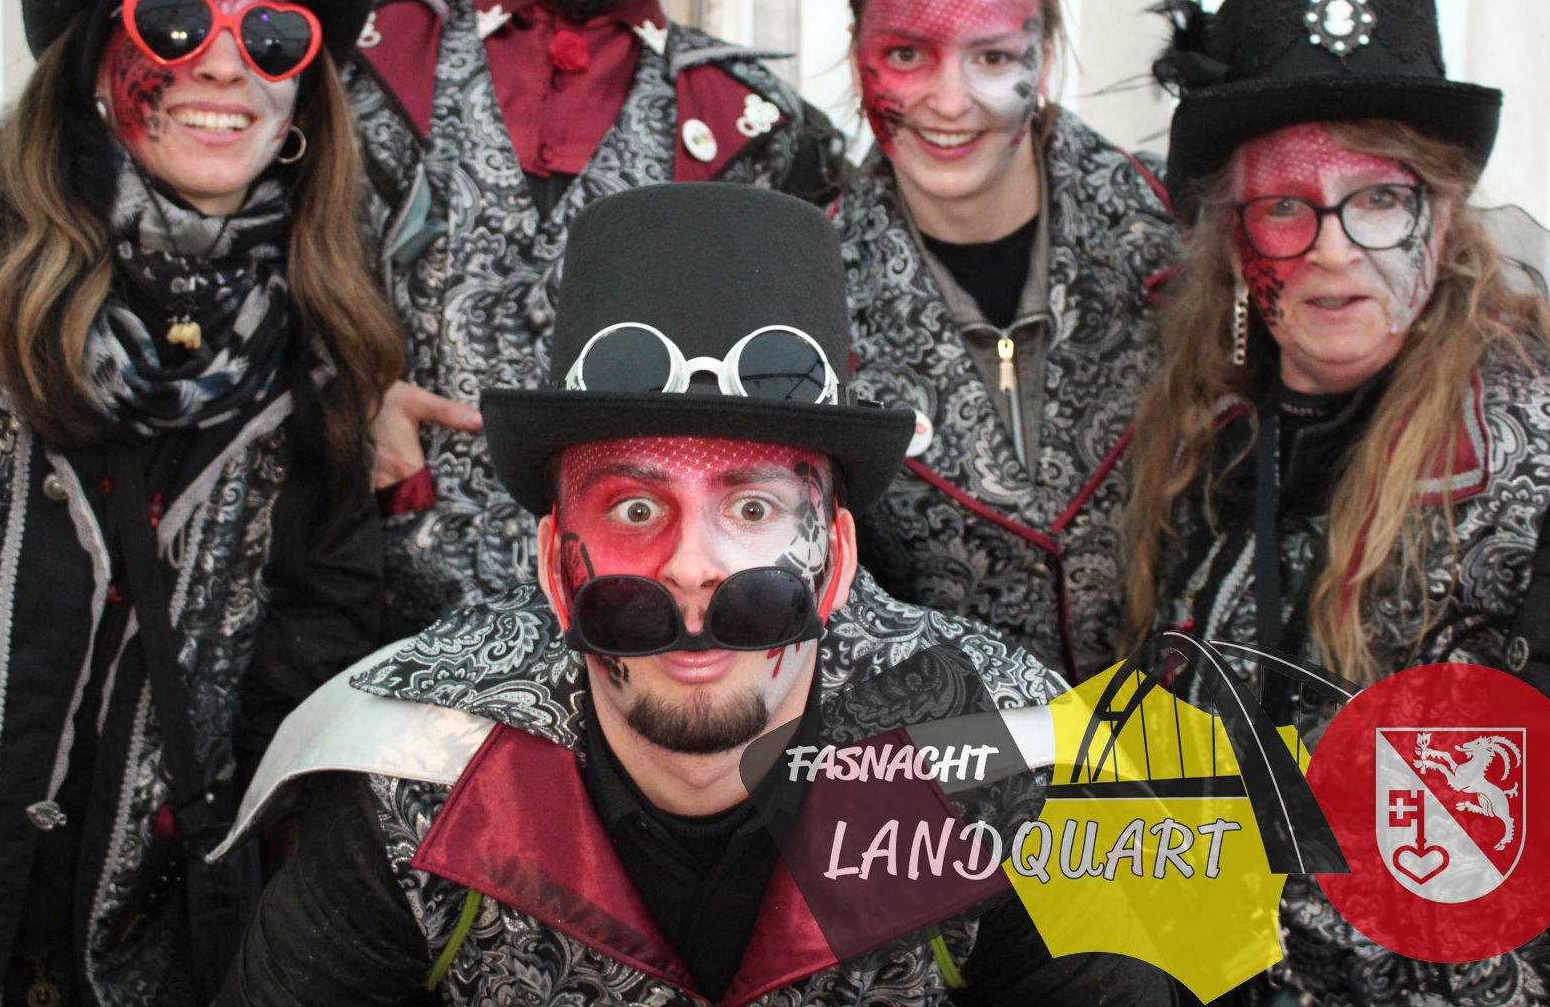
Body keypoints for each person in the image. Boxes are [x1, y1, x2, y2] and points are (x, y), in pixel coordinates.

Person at [214, 184, 1174, 1005]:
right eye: (633, 507)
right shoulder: (408, 768)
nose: (690, 563)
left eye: (753, 506)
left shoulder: (1019, 754)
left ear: (838, 562)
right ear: (553, 569)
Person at [0, 0, 405, 1002]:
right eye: (175, 21)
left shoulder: (319, 344)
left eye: (274, 37)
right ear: (93, 54)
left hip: (136, 965)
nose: (224, 64)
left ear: (304, 96)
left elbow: (312, 646)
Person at [1121, 0, 1550, 1004]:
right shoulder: (1205, 445)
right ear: (1236, 239)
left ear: (1444, 214)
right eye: (1285, 207)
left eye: (1379, 199)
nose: (1335, 251)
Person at [360, 0, 845, 633]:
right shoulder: (369, 60)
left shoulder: (754, 124)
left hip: (649, 620)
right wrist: (352, 404)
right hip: (367, 601)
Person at [833, 0, 1181, 683]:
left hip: (1186, 748)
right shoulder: (807, 292)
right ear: (859, 57)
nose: (950, 102)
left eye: (991, 57)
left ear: (1045, 58)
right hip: (945, 753)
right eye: (906, 54)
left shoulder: (1181, 233)